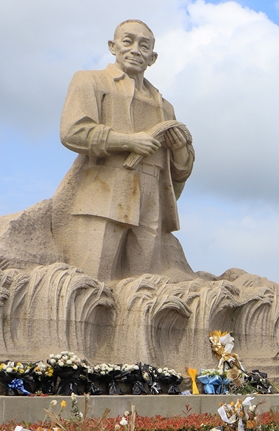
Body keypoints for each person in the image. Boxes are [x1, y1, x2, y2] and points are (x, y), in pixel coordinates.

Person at [50, 20, 196, 282]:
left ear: (152, 57)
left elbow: (179, 173)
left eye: (144, 45)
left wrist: (180, 151)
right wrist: (128, 141)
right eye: (128, 41)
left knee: (144, 289)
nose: (135, 49)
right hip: (104, 192)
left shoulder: (165, 106)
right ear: (113, 46)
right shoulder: (90, 81)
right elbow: (72, 131)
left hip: (151, 200)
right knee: (93, 280)